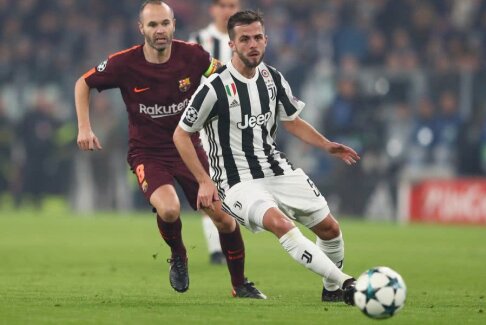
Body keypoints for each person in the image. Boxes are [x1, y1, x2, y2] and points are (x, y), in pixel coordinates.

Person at [75, 0, 265, 299]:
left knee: (224, 219)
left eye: (164, 23)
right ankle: (179, 254)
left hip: (189, 148)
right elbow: (83, 83)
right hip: (147, 153)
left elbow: (223, 76)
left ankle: (240, 284)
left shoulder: (192, 56)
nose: (159, 30)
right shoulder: (124, 63)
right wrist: (85, 127)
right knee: (168, 207)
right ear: (142, 29)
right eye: (152, 25)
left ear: (173, 25)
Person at [174, 10, 360, 304]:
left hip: (277, 170)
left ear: (266, 40)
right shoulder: (213, 88)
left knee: (330, 229)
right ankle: (349, 283)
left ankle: (332, 290)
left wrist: (326, 145)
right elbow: (181, 133)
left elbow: (291, 120)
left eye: (258, 37)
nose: (253, 44)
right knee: (281, 224)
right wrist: (204, 180)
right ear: (232, 44)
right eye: (245, 39)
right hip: (238, 181)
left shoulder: (272, 77)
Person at [189, 0, 240, 265]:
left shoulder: (245, 40)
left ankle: (228, 241)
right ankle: (216, 249)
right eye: (222, 4)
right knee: (210, 183)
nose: (227, 10)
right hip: (206, 125)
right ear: (212, 9)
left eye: (232, 4)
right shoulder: (198, 41)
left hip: (238, 125)